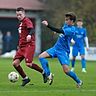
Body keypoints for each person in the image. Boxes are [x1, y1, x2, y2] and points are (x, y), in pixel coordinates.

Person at [39, 12, 83, 87]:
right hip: (56, 48)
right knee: (41, 57)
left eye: (67, 20)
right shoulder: (66, 25)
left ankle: (79, 81)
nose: (65, 21)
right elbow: (61, 30)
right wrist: (56, 31)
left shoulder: (72, 30)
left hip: (63, 51)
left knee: (66, 71)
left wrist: (48, 25)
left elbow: (61, 31)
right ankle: (48, 74)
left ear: (72, 21)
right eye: (65, 19)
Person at [12, 7, 46, 86]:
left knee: (29, 64)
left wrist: (30, 35)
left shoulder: (27, 20)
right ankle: (25, 78)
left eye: (20, 14)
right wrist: (19, 45)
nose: (19, 16)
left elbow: (32, 29)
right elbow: (22, 35)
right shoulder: (20, 23)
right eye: (17, 15)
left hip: (29, 45)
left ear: (24, 14)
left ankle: (43, 72)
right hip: (22, 47)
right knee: (15, 63)